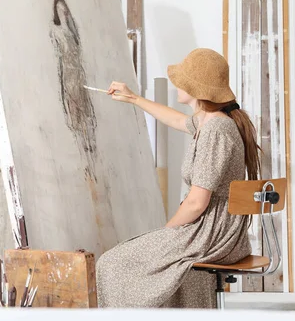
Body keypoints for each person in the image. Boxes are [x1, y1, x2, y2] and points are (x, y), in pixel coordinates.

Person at [95, 48, 261, 308]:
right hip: (212, 229)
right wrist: (133, 99)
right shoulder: (211, 121)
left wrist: (167, 232)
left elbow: (197, 202)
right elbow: (176, 119)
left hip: (211, 234)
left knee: (111, 263)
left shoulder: (216, 131)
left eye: (183, 81)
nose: (176, 85)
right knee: (134, 259)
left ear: (197, 90)